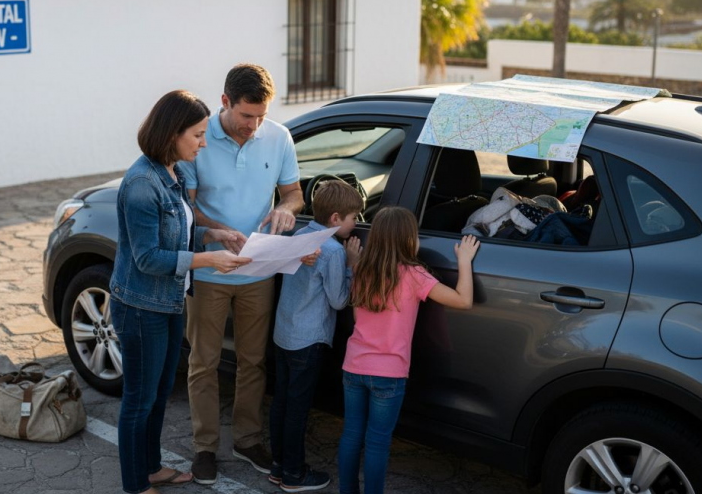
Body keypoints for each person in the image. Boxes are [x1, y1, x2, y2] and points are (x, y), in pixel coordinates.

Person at [110, 90, 251, 494]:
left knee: (157, 395)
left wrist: (214, 235)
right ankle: (136, 485)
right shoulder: (142, 183)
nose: (203, 143)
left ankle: (151, 468)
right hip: (140, 307)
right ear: (172, 133)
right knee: (139, 400)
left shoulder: (173, 171)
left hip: (169, 302)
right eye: (198, 135)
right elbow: (148, 258)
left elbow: (178, 229)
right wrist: (208, 261)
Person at [177, 63, 308, 484]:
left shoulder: (279, 137)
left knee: (254, 361)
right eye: (247, 115)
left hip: (259, 270)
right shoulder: (198, 138)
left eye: (261, 116)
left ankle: (248, 440)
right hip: (210, 270)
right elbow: (187, 206)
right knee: (204, 362)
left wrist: (285, 210)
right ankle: (204, 448)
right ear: (225, 102)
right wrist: (216, 231)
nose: (254, 125)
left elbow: (294, 194)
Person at [337, 207, 480, 494]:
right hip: (388, 376)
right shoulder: (415, 275)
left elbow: (356, 317)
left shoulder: (362, 269)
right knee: (377, 442)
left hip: (353, 368)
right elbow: (463, 300)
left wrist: (353, 262)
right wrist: (464, 260)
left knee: (351, 434)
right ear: (407, 240)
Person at [269, 180, 363, 492]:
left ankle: (279, 465)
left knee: (282, 402)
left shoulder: (301, 234)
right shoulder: (334, 251)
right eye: (354, 218)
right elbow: (338, 300)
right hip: (308, 340)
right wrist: (351, 266)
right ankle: (294, 475)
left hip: (284, 333)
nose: (357, 224)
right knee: (298, 409)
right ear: (336, 218)